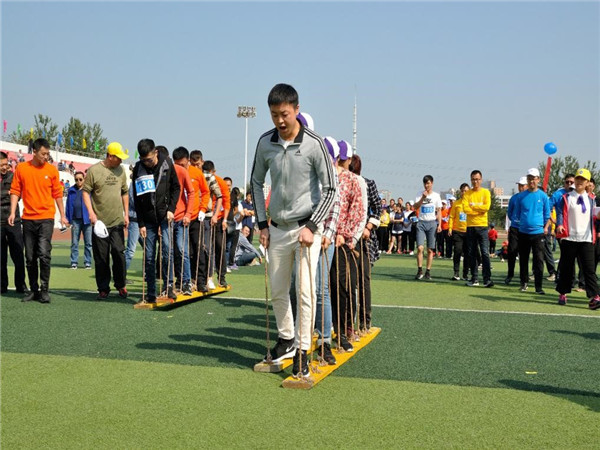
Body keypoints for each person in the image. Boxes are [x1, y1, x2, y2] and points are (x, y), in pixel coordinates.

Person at [251, 83, 336, 379]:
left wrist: (312, 226)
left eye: (284, 114)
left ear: (297, 110)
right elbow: (256, 182)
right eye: (274, 115)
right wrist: (262, 224)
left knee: (304, 290)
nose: (280, 120)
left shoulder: (314, 144)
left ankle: (302, 350)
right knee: (277, 289)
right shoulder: (265, 143)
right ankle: (286, 338)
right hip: (276, 229)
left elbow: (330, 189)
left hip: (306, 229)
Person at [8, 138, 67, 303]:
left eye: (48, 154)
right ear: (34, 152)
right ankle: (34, 290)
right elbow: (15, 191)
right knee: (30, 257)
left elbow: (57, 194)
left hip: (46, 218)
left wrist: (62, 215)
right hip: (28, 218)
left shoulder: (52, 170)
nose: (46, 157)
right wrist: (12, 212)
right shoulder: (22, 168)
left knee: (44, 254)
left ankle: (44, 290)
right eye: (43, 154)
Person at [133, 139, 181, 303]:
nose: (146, 163)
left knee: (167, 250)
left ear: (156, 152)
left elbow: (176, 188)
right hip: (148, 219)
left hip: (165, 216)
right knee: (149, 256)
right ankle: (151, 292)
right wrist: (141, 223)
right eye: (143, 160)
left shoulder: (167, 163)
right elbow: (137, 198)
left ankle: (169, 287)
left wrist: (171, 209)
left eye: (149, 159)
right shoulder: (138, 169)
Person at [82, 142, 129, 300]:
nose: (121, 160)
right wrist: (91, 213)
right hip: (99, 224)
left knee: (119, 253)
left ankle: (121, 284)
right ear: (110, 156)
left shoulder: (121, 170)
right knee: (101, 257)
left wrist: (126, 214)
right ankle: (103, 288)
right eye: (118, 157)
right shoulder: (94, 171)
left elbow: (124, 192)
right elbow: (85, 192)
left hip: (117, 221)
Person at [555, 168, 600, 309]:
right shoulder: (566, 197)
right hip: (569, 238)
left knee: (589, 269)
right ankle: (563, 293)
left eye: (583, 179)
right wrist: (560, 224)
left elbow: (596, 216)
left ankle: (595, 296)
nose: (580, 181)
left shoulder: (592, 199)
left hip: (586, 239)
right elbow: (560, 213)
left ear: (588, 182)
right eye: (578, 178)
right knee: (566, 268)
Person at [514, 168, 551, 294]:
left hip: (538, 233)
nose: (531, 181)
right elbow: (517, 214)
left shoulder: (543, 196)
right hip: (523, 232)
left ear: (538, 179)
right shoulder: (521, 196)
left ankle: (538, 287)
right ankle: (524, 283)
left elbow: (547, 215)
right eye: (529, 178)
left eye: (534, 179)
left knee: (538, 260)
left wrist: (545, 228)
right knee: (523, 259)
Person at [190, 150, 222, 293]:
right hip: (192, 216)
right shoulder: (189, 174)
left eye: (198, 164)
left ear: (202, 162)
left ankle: (209, 277)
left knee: (206, 248)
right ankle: (193, 279)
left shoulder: (208, 176)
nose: (196, 167)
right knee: (192, 249)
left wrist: (215, 215)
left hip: (207, 216)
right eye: (193, 164)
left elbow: (219, 196)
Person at [170, 147, 198, 295]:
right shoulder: (168, 171)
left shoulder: (185, 172)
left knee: (182, 250)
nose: (180, 167)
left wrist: (188, 213)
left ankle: (187, 282)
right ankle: (171, 282)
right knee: (168, 252)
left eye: (182, 164)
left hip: (182, 218)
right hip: (168, 218)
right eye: (177, 164)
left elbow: (191, 193)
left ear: (188, 161)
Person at [0, 152, 28, 294]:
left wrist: (11, 195)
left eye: (6, 164)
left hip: (13, 220)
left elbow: (18, 195)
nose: (5, 167)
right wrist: (8, 194)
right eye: (1, 165)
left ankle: (20, 285)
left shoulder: (13, 176)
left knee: (18, 255)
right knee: (1, 257)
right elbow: (11, 195)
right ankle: (2, 285)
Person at [463, 170, 493, 288]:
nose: (475, 181)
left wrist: (474, 206)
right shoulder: (467, 194)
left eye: (477, 179)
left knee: (485, 252)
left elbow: (486, 207)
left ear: (481, 179)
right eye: (473, 179)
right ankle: (474, 278)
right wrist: (478, 210)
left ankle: (487, 279)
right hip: (470, 227)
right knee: (472, 253)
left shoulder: (486, 192)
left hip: (482, 226)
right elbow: (466, 209)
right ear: (471, 180)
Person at [203, 161, 230, 288]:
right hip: (205, 218)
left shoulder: (220, 182)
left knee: (219, 247)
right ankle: (206, 277)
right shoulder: (202, 179)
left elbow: (226, 202)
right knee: (205, 248)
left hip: (218, 219)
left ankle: (221, 276)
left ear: (214, 172)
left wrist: (224, 220)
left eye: (210, 173)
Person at [413, 175, 442, 280]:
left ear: (432, 183)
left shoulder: (436, 196)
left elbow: (439, 211)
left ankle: (428, 271)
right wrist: (423, 198)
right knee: (420, 248)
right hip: (421, 223)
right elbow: (415, 206)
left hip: (432, 223)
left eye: (428, 183)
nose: (426, 185)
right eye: (425, 183)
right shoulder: (419, 194)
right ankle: (419, 270)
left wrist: (439, 224)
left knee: (430, 250)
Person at [65, 171, 92, 270]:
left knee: (88, 243)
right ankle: (74, 262)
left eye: (80, 179)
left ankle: (87, 262)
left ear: (84, 179)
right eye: (76, 179)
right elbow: (68, 205)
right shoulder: (71, 190)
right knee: (74, 242)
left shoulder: (89, 190)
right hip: (75, 220)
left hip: (87, 220)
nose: (78, 181)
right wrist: (68, 219)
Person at [504, 176, 527, 285]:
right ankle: (510, 274)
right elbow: (510, 213)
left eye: (522, 185)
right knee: (512, 252)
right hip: (515, 228)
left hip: (525, 229)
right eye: (519, 185)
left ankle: (523, 278)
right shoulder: (514, 198)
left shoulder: (529, 197)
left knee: (524, 254)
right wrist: (515, 221)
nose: (520, 187)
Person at [448, 183, 470, 281]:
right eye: (462, 191)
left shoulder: (471, 203)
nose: (464, 193)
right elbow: (451, 217)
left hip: (469, 231)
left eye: (466, 191)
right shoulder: (456, 204)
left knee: (467, 253)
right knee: (457, 251)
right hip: (457, 231)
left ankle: (465, 274)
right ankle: (456, 272)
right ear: (460, 192)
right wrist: (450, 228)